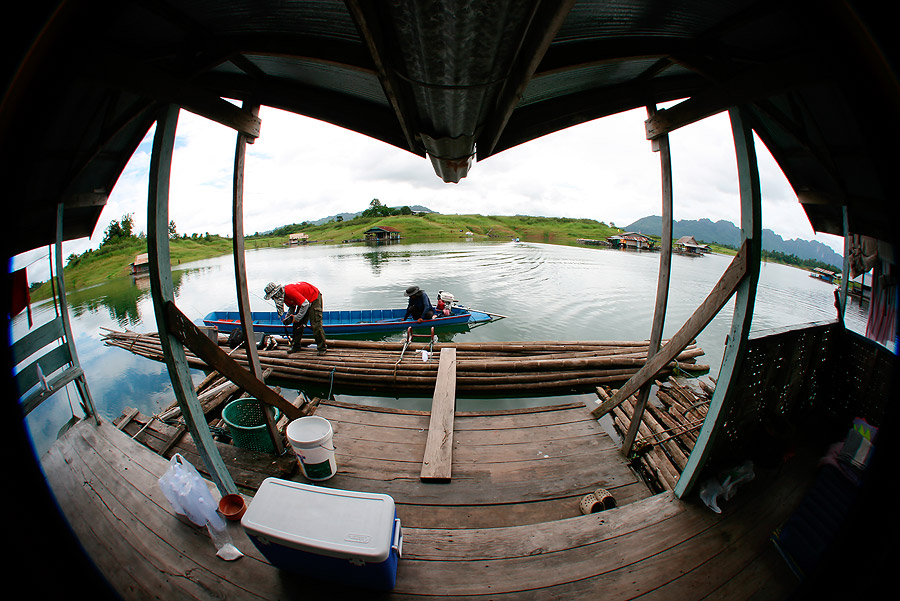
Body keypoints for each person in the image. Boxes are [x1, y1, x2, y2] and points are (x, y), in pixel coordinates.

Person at [264, 281, 327, 355]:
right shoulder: (283, 296)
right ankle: (296, 345)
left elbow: (305, 304)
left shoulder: (289, 291)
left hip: (313, 298)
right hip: (304, 300)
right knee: (297, 325)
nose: (273, 298)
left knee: (316, 324)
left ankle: (322, 347)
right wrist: (288, 316)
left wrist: (297, 317)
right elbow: (292, 306)